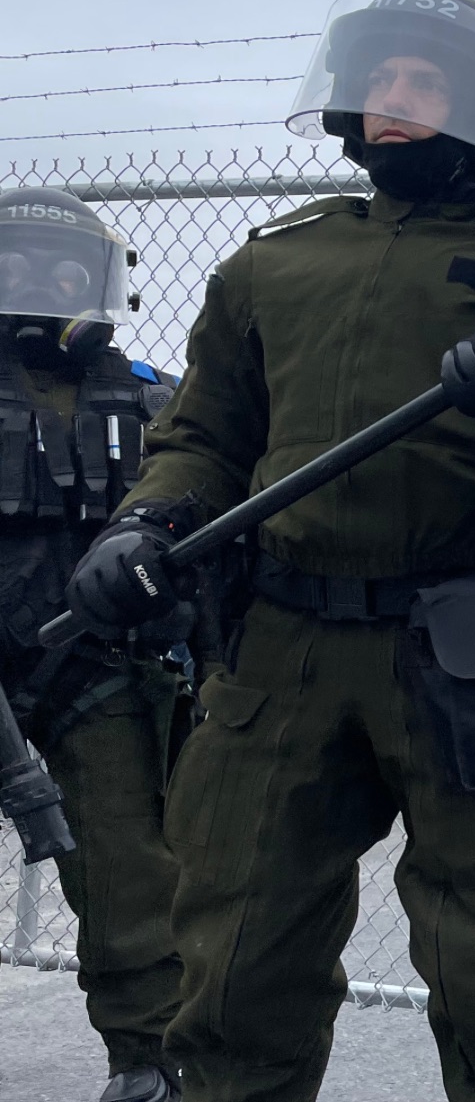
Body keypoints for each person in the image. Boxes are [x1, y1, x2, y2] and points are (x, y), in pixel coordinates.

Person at [65, 0, 475, 1102]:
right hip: (282, 653)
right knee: (234, 958)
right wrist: (144, 521)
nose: (393, 100)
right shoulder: (273, 263)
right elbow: (204, 433)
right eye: (379, 79)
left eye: (424, 81)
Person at [0, 188, 186, 1102]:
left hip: (94, 671)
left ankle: (148, 1060)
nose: (44, 285)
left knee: (124, 875)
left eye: (68, 267)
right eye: (19, 264)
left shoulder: (155, 398)